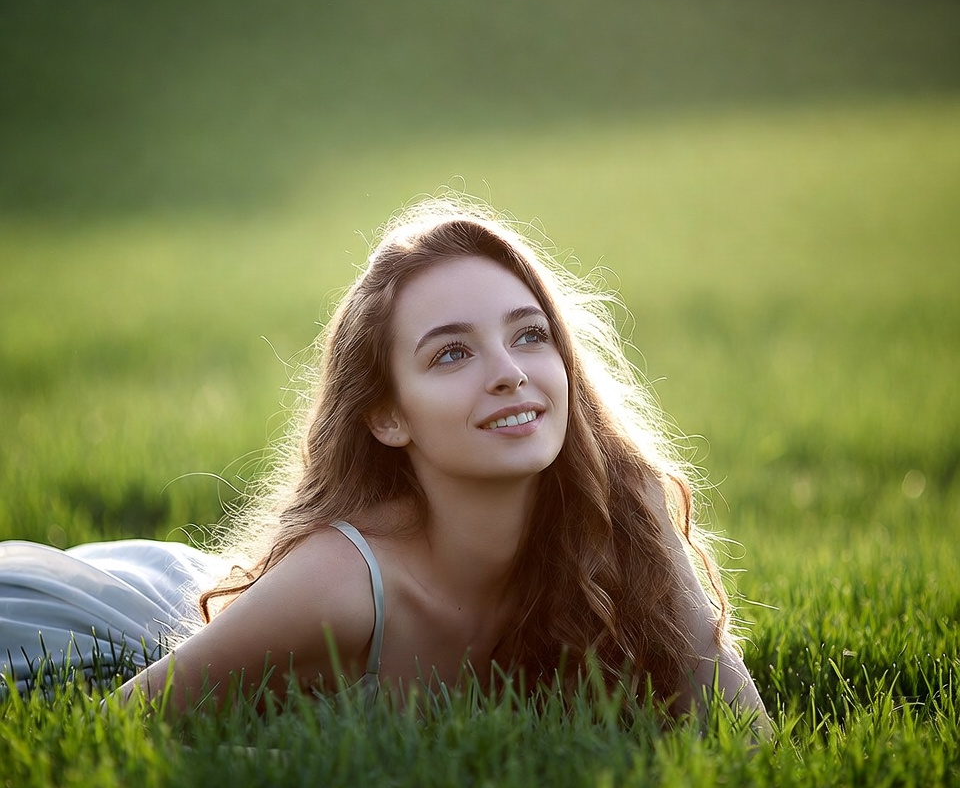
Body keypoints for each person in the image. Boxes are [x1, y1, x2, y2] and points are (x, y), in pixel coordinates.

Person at [0, 195, 769, 729]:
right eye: (452, 353)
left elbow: (748, 740)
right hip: (73, 628)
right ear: (388, 416)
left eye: (530, 335)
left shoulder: (604, 526)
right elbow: (114, 730)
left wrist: (648, 517)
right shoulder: (341, 584)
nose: (510, 372)